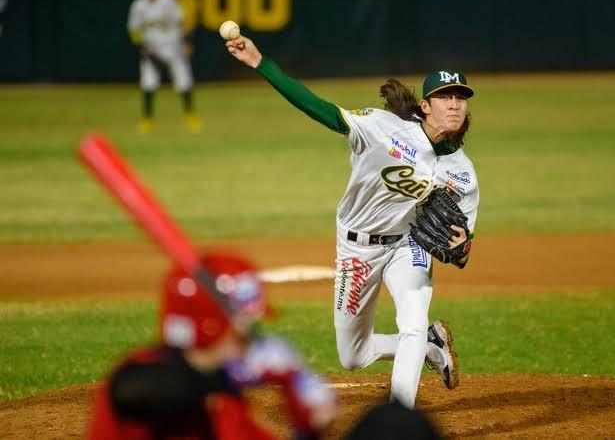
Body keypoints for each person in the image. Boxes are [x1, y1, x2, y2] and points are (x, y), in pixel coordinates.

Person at [224, 37, 479, 408]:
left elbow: (463, 236)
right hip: (356, 247)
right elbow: (320, 109)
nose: (454, 104)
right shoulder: (382, 128)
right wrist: (262, 63)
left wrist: (462, 244)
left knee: (412, 322)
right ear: (425, 106)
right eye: (445, 96)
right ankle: (433, 348)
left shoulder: (464, 173)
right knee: (353, 356)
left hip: (407, 245)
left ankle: (399, 420)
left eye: (460, 97)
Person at [87, 253, 336, 440]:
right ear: (211, 325)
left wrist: (308, 422)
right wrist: (228, 373)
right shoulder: (143, 376)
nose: (251, 338)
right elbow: (137, 389)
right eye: (245, 327)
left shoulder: (227, 406)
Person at [127, 0, 202, 134]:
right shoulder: (138, 5)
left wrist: (186, 43)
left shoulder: (168, 0)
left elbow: (182, 23)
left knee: (184, 81)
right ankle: (147, 119)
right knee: (148, 83)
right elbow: (134, 31)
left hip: (173, 47)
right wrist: (142, 47)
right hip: (151, 49)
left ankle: (190, 115)